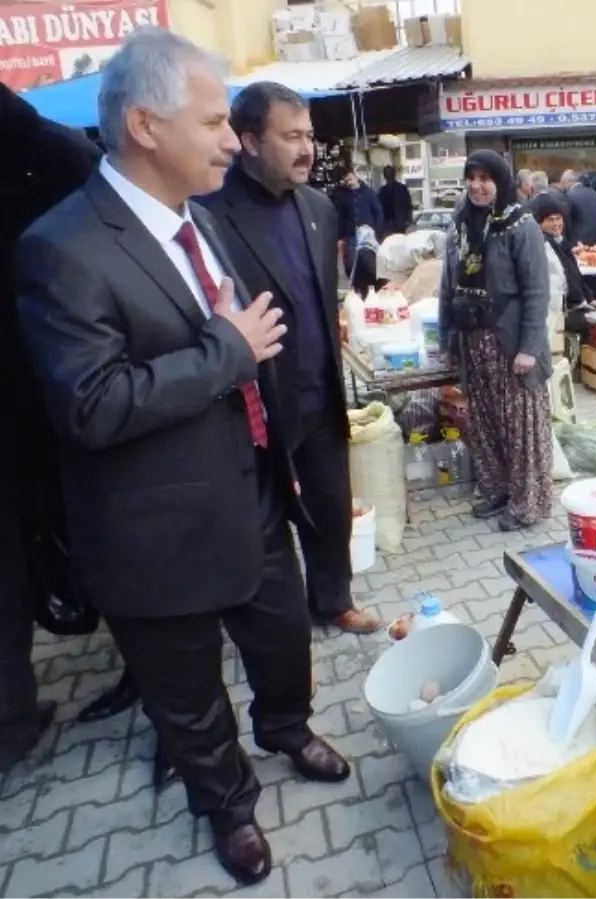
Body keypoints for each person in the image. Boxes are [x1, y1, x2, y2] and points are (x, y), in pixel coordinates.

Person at [14, 29, 349, 884]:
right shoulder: (62, 247)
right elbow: (89, 405)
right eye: (212, 123)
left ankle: (286, 726)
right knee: (188, 692)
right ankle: (227, 804)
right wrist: (225, 353)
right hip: (154, 528)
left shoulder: (201, 219)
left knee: (282, 640)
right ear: (144, 126)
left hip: (255, 493)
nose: (232, 141)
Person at [200, 81, 381, 635]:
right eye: (291, 136)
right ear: (249, 141)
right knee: (265, 521)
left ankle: (332, 599)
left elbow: (319, 292)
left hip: (320, 392)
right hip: (256, 402)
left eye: (309, 135)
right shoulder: (208, 212)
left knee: (330, 508)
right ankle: (267, 625)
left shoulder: (318, 207)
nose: (307, 149)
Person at [0, 82, 101, 770]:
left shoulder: (55, 153)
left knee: (85, 532)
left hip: (58, 395)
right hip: (38, 400)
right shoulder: (54, 153)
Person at [438, 151, 554, 532]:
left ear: (501, 182)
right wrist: (447, 339)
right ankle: (497, 490)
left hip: (511, 344)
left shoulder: (521, 226)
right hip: (474, 342)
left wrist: (529, 349)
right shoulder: (460, 225)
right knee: (485, 423)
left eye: (485, 177)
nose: (476, 184)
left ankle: (528, 504)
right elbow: (447, 286)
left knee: (520, 426)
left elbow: (537, 292)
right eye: (471, 176)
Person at [531, 192, 594, 332]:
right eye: (550, 220)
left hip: (569, 306)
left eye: (558, 218)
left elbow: (575, 274)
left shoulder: (561, 242)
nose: (556, 224)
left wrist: (589, 298)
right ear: (540, 224)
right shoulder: (545, 245)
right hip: (558, 311)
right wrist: (581, 303)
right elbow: (564, 279)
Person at [333, 166, 383, 276]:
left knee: (368, 260)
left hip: (367, 233)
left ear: (355, 177)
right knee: (351, 262)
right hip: (351, 234)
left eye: (350, 179)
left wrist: (376, 231)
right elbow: (341, 217)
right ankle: (354, 282)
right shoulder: (344, 196)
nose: (349, 183)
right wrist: (341, 236)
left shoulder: (369, 193)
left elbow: (378, 212)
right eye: (346, 181)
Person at [561, 168, 596, 247]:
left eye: (563, 183)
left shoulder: (569, 196)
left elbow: (567, 221)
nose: (563, 186)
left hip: (579, 243)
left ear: (568, 182)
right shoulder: (594, 193)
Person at [377, 164, 413, 237]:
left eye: (390, 173)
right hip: (387, 225)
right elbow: (378, 209)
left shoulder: (402, 189)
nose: (388, 175)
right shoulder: (382, 191)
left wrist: (408, 221)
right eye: (387, 173)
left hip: (400, 224)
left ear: (394, 174)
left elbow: (408, 206)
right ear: (384, 176)